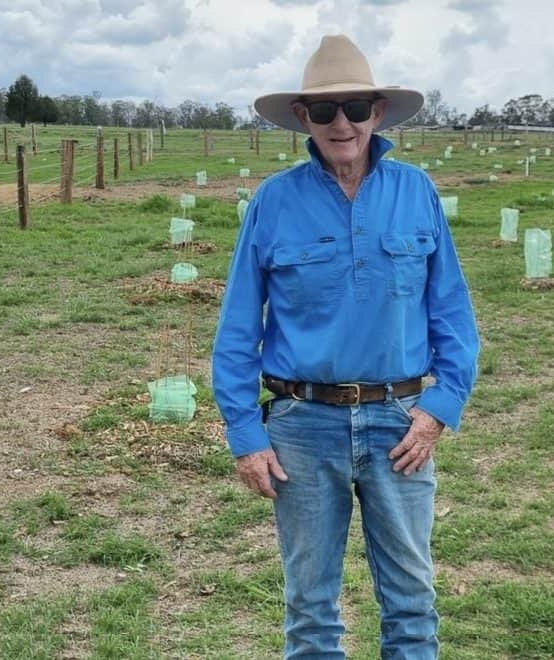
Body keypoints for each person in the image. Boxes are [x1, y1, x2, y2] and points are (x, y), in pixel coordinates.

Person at [211, 34, 479, 659]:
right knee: (310, 607)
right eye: (326, 110)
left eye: (356, 108)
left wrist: (440, 409)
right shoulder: (273, 202)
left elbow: (453, 315)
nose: (342, 123)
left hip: (399, 424)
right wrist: (246, 436)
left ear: (377, 114)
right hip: (302, 427)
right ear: (302, 117)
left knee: (412, 599)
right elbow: (236, 330)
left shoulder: (416, 192)